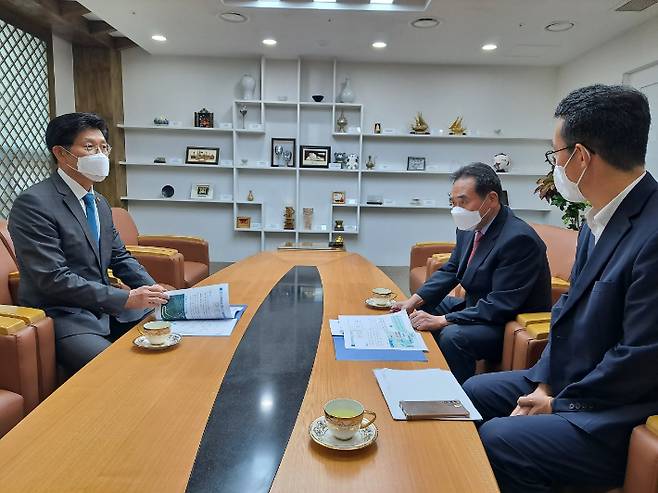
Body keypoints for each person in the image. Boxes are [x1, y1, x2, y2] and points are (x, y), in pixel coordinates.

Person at [463, 84, 658, 492]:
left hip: (617, 410)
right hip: (571, 381)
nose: (554, 166)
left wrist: (559, 402)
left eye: (556, 155)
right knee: (474, 392)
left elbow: (641, 357)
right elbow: (566, 311)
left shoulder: (652, 233)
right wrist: (547, 382)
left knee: (500, 440)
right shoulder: (599, 218)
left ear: (582, 157)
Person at [9, 112, 169, 374]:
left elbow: (119, 256)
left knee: (171, 335)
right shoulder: (34, 203)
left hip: (106, 309)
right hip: (64, 315)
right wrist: (125, 298)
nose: (101, 155)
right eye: (89, 147)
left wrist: (153, 289)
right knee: (119, 370)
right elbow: (53, 278)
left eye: (104, 147)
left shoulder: (99, 202)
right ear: (61, 154)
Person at [392, 163, 552, 383]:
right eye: (453, 203)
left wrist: (443, 320)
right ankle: (422, 369)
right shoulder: (469, 226)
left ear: (492, 199)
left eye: (463, 201)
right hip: (477, 306)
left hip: (506, 324)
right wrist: (413, 300)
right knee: (422, 306)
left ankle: (456, 395)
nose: (457, 210)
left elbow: (500, 305)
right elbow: (452, 269)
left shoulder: (519, 239)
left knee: (452, 336)